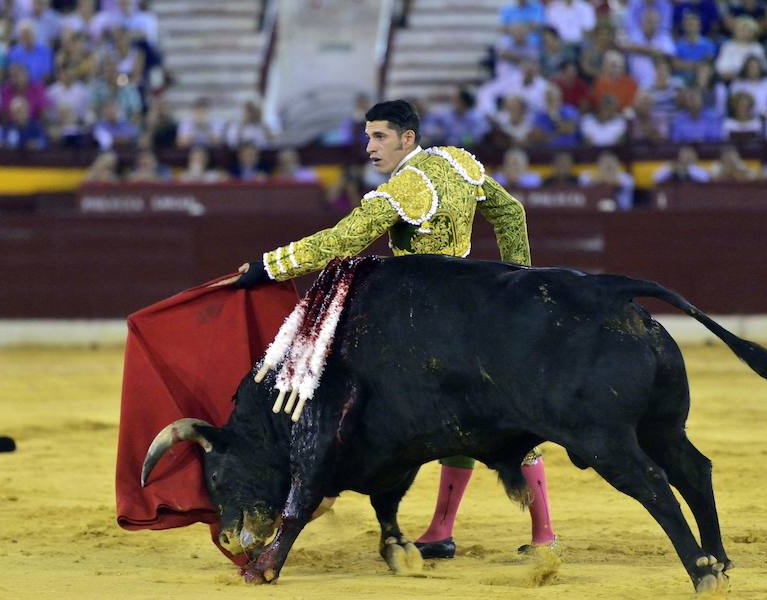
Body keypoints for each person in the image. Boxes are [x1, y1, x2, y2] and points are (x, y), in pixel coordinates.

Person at [217, 99, 555, 559]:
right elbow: (512, 212)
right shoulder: (457, 161)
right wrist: (518, 286)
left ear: (407, 138)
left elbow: (342, 241)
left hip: (422, 320)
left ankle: (336, 480)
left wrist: (268, 266)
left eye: (379, 137)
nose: (369, 147)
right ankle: (491, 533)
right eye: (367, 136)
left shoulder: (405, 188)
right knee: (488, 416)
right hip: (478, 303)